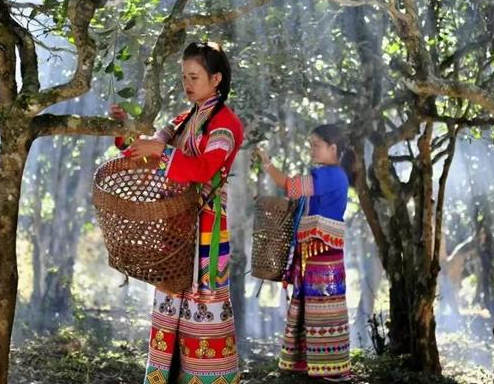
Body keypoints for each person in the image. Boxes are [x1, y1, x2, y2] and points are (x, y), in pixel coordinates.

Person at [110, 41, 243, 384]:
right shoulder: (184, 119)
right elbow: (147, 151)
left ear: (216, 79)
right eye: (184, 76)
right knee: (170, 304)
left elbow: (204, 169)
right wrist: (125, 133)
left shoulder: (225, 124)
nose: (187, 83)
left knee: (202, 306)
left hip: (208, 233)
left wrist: (162, 151)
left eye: (194, 76)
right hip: (177, 229)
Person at [256, 124, 352, 382]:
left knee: (323, 304)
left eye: (316, 145)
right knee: (313, 303)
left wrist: (267, 164)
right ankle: (312, 363)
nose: (311, 150)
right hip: (317, 248)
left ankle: (330, 367)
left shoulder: (331, 176)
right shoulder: (330, 174)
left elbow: (291, 187)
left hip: (323, 250)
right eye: (310, 145)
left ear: (333, 148)